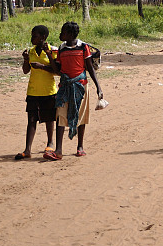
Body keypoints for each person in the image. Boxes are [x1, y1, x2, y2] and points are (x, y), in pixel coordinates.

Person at [32, 21, 103, 160]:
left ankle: (80, 147)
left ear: (70, 34)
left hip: (81, 86)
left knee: (81, 116)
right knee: (61, 116)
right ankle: (58, 150)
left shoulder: (83, 47)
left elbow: (89, 68)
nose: (60, 34)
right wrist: (48, 55)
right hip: (64, 87)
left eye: (63, 32)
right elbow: (58, 70)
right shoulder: (62, 49)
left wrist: (98, 87)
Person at [14, 25, 57, 160]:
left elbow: (57, 71)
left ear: (43, 37)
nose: (32, 38)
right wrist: (26, 60)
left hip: (49, 90)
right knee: (31, 120)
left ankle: (50, 143)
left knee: (49, 118)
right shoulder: (31, 51)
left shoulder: (52, 50)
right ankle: (27, 149)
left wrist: (43, 66)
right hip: (33, 91)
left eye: (35, 36)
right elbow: (26, 71)